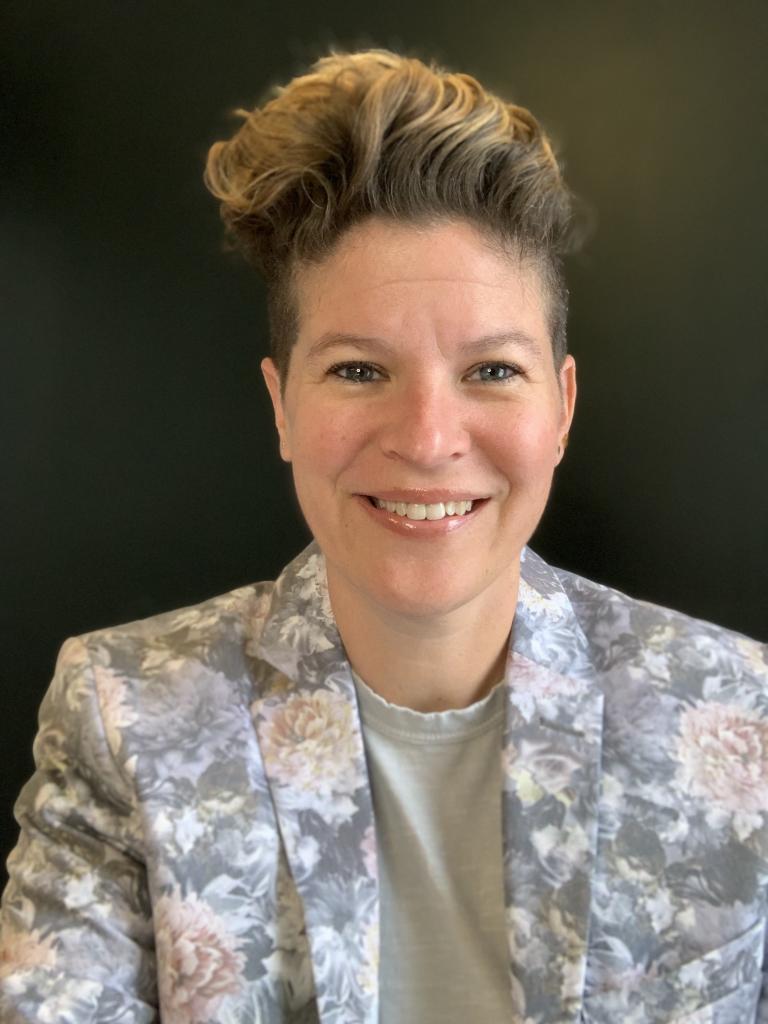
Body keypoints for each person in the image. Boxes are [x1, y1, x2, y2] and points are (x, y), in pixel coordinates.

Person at [1, 47, 766, 1024]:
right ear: (282, 407)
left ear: (563, 408)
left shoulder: (743, 715)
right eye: (359, 371)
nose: (428, 440)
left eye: (492, 371)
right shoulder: (124, 717)